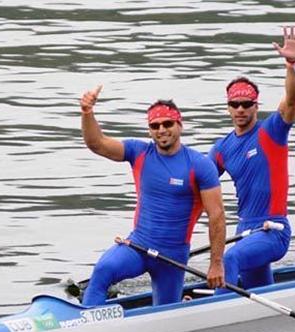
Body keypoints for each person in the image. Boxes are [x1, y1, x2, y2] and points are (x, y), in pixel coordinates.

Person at [79, 86, 226, 306]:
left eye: (168, 124)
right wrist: (87, 112)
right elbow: (96, 143)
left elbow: (217, 215)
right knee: (103, 269)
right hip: (138, 246)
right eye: (155, 126)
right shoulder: (138, 152)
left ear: (180, 125)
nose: (161, 130)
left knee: (166, 313)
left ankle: (180, 304)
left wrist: (216, 263)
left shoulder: (200, 165)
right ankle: (86, 323)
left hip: (172, 257)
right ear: (149, 130)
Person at [208, 26, 295, 290]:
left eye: (246, 104)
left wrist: (292, 64)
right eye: (235, 105)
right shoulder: (222, 148)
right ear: (228, 108)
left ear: (256, 106)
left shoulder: (271, 131)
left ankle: (217, 319)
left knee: (228, 258)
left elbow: (293, 100)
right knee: (257, 293)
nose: (240, 109)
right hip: (245, 232)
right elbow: (197, 184)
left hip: (273, 231)